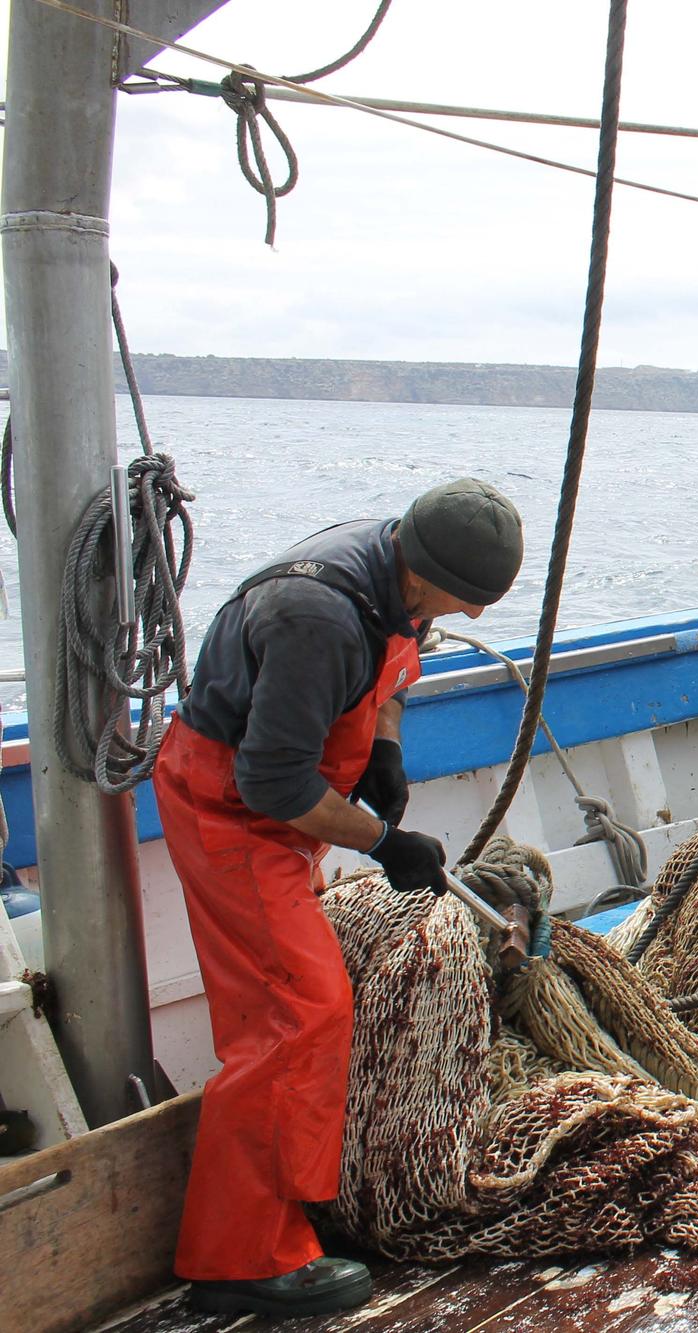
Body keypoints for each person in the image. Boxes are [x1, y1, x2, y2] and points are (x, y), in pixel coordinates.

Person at [153, 477, 524, 1318]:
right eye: (464, 602)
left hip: (285, 814)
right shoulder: (314, 617)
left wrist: (384, 751)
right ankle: (240, 1256)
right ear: (422, 569)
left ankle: (289, 1195)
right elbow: (272, 783)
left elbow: (396, 664)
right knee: (299, 1016)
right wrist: (385, 843)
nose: (465, 618)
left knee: (300, 1007)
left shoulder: (399, 567)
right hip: (235, 818)